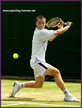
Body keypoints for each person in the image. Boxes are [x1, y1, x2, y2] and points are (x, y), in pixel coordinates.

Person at [10, 15, 80, 102]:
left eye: (43, 23)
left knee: (38, 84)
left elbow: (51, 39)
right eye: (39, 23)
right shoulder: (40, 32)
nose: (41, 24)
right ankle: (67, 95)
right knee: (56, 72)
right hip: (37, 61)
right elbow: (58, 32)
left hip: (37, 61)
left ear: (45, 23)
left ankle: (19, 85)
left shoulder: (42, 32)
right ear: (36, 23)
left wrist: (61, 27)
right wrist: (68, 26)